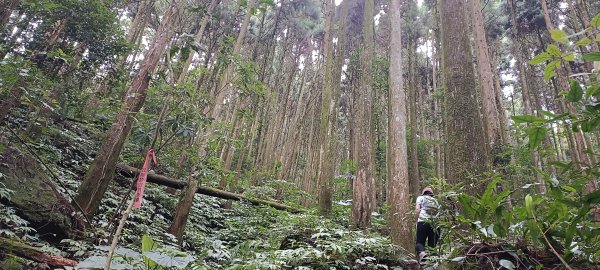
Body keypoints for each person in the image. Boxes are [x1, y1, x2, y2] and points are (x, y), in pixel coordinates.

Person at [415, 186, 440, 259]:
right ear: (432, 194)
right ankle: (432, 261)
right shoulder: (435, 201)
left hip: (423, 221)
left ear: (423, 193)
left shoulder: (420, 198)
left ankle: (422, 254)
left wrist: (416, 221)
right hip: (435, 223)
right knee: (432, 245)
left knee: (420, 242)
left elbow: (417, 209)